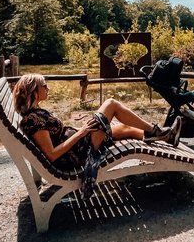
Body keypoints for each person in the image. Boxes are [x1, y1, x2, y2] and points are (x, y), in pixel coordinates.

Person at [12, 74, 182, 192]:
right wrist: (82, 132)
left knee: (125, 129)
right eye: (44, 86)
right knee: (111, 104)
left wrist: (79, 130)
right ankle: (155, 130)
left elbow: (59, 134)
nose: (47, 88)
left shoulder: (36, 114)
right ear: (34, 90)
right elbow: (52, 155)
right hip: (78, 153)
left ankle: (165, 137)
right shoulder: (33, 120)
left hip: (80, 143)